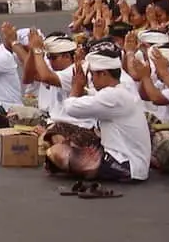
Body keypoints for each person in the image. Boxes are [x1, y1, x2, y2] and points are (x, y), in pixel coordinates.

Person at [46, 40, 152, 183]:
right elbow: (93, 97)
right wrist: (81, 89)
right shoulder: (119, 90)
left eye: (93, 75)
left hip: (126, 164)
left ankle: (89, 169)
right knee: (63, 131)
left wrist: (76, 87)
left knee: (57, 152)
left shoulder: (113, 95)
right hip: (128, 159)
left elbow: (71, 108)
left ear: (103, 74)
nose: (91, 79)